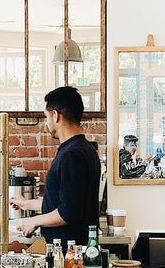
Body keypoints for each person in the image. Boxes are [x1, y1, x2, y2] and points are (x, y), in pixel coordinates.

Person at [9, 86, 101, 246]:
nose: (46, 123)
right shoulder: (85, 148)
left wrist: (34, 221)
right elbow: (63, 202)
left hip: (69, 253)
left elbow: (68, 213)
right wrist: (27, 203)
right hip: (77, 248)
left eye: (46, 117)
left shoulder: (71, 155)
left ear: (55, 116)